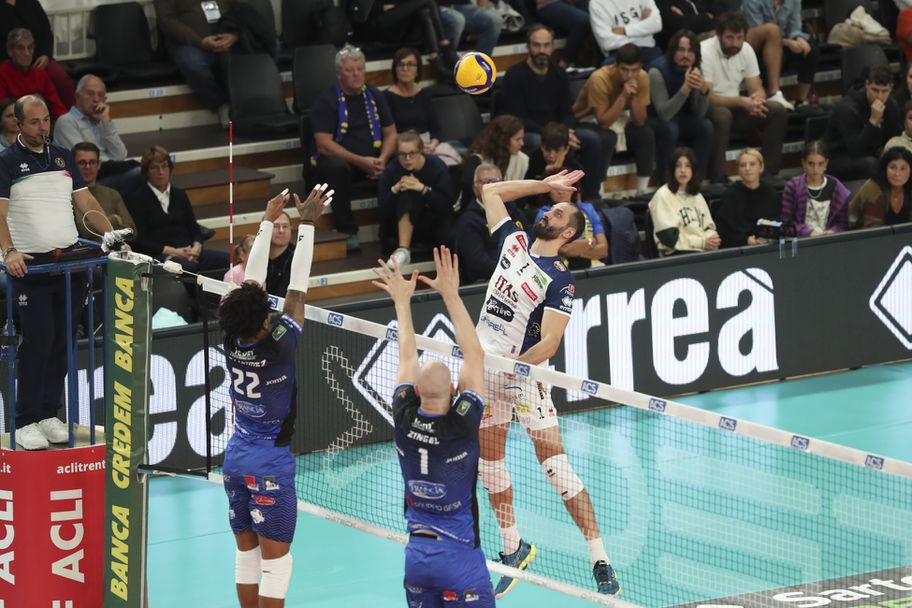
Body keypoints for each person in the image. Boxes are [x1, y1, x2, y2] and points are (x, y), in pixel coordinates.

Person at [476, 169, 620, 597]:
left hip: (523, 377)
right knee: (489, 463)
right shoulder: (513, 241)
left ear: (568, 232)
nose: (547, 213)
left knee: (556, 466)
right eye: (548, 209)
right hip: (482, 369)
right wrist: (546, 186)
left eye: (556, 213)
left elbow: (550, 343)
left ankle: (600, 558)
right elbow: (490, 191)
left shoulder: (560, 280)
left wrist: (514, 367)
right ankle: (513, 548)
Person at [218, 185, 329, 608]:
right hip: (270, 463)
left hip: (236, 459)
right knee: (276, 564)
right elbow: (297, 288)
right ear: (264, 321)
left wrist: (267, 222)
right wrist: (307, 223)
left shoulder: (232, 337)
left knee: (245, 556)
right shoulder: (279, 344)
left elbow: (251, 284)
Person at [372, 245, 494, 608]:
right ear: (455, 391)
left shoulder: (402, 415)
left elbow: (407, 355)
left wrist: (401, 301)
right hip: (460, 560)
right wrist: (451, 294)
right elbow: (475, 355)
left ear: (416, 392)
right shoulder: (462, 423)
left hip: (417, 562)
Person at [0, 95, 123, 451]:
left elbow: (85, 201)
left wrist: (109, 234)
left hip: (69, 264)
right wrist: (8, 251)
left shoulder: (62, 155)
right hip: (32, 267)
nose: (42, 128)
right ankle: (25, 420)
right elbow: (0, 212)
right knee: (39, 342)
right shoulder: (7, 161)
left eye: (46, 120)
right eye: (34, 122)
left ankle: (47, 414)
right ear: (19, 124)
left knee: (62, 342)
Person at [500, 25, 611, 200]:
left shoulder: (559, 73)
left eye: (546, 45)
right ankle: (534, 199)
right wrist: (554, 134)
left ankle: (592, 197)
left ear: (552, 46)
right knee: (536, 141)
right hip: (531, 131)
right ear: (528, 46)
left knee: (592, 139)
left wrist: (564, 132)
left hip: (558, 130)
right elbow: (517, 118)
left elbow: (568, 112)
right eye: (536, 45)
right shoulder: (514, 75)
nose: (541, 50)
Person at [311, 45, 397, 251]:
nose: (356, 74)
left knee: (401, 163)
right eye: (350, 70)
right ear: (339, 74)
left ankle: (391, 232)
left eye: (360, 69)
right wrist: (360, 161)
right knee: (336, 168)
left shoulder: (375, 95)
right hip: (343, 162)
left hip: (374, 160)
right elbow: (323, 144)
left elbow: (391, 133)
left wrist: (382, 160)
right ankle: (348, 230)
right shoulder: (326, 100)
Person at [700, 12, 787, 181]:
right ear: (718, 35)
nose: (735, 43)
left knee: (777, 110)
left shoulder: (746, 49)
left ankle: (769, 172)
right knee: (722, 115)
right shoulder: (705, 51)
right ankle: (717, 177)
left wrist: (757, 101)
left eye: (739, 38)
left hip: (737, 108)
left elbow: (757, 87)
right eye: (730, 38)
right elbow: (709, 98)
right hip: (710, 108)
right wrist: (742, 101)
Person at [126, 145, 229, 272]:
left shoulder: (179, 194)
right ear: (146, 171)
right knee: (187, 268)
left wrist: (196, 247)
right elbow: (141, 240)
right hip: (160, 255)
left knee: (229, 261)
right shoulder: (137, 198)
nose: (161, 172)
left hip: (189, 252)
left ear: (170, 169)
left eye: (164, 166)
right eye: (154, 167)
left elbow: (194, 228)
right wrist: (174, 251)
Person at [572, 43, 655, 194]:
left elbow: (640, 121)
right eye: (624, 70)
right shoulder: (599, 78)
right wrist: (624, 96)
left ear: (640, 67)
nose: (629, 75)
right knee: (606, 137)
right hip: (587, 120)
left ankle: (642, 192)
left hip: (620, 119)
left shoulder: (642, 77)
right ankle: (599, 191)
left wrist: (634, 97)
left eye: (634, 70)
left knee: (645, 133)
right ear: (616, 66)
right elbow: (603, 122)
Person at [154, 0, 239, 128]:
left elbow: (241, 9)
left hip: (227, 40)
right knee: (192, 62)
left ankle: (246, 105)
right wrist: (200, 42)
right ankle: (220, 104)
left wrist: (235, 35)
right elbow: (166, 20)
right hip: (188, 44)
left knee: (247, 55)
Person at [378, 130, 456, 266]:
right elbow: (383, 209)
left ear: (421, 151)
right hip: (399, 225)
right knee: (407, 192)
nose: (407, 159)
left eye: (412, 153)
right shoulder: (391, 170)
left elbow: (446, 205)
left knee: (414, 189)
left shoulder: (437, 167)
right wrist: (395, 189)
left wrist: (423, 190)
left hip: (432, 222)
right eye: (402, 154)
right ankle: (403, 250)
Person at [53, 74, 139, 191]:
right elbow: (84, 160)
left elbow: (120, 156)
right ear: (77, 96)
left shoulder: (102, 121)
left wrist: (107, 122)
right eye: (91, 94)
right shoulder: (66, 121)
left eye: (100, 95)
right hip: (86, 180)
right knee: (139, 172)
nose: (96, 99)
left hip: (108, 172)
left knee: (144, 173)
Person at [649, 30, 713, 184]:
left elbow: (699, 113)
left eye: (690, 51)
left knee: (705, 126)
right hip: (654, 119)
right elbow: (664, 114)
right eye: (681, 50)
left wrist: (703, 92)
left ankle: (697, 181)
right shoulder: (657, 71)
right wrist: (685, 89)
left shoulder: (695, 69)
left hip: (681, 118)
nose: (686, 56)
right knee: (671, 129)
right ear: (672, 52)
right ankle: (665, 183)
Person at [454, 163, 530, 284]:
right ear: (475, 188)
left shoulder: (515, 212)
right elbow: (478, 263)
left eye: (495, 181)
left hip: (524, 275)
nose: (491, 186)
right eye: (485, 182)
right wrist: (513, 273)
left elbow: (530, 243)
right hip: (490, 282)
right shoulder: (468, 221)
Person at [383, 48, 461, 166]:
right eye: (401, 65)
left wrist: (433, 144)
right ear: (395, 69)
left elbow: (436, 129)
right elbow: (389, 135)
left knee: (452, 163)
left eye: (410, 65)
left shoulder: (424, 94)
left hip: (428, 144)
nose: (405, 69)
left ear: (417, 70)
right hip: (403, 148)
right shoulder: (386, 97)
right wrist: (416, 146)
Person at [823, 65, 901, 182]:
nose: (879, 96)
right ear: (867, 85)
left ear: (891, 88)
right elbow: (856, 150)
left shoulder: (891, 106)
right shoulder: (847, 108)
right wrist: (873, 121)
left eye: (884, 91)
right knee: (872, 164)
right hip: (837, 157)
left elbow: (895, 138)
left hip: (871, 153)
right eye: (875, 90)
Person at [355, 0, 457, 81]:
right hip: (376, 24)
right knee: (428, 1)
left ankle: (436, 60)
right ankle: (446, 49)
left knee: (423, 13)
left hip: (398, 21)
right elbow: (361, 9)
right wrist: (382, 7)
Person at [742, 0, 818, 109]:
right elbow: (759, 31)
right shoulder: (752, 1)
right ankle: (774, 93)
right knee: (773, 33)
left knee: (809, 50)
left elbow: (794, 27)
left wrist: (798, 38)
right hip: (754, 44)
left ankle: (801, 101)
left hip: (782, 41)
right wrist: (787, 42)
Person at [0, 0, 76, 108]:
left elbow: (46, 32)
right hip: (9, 61)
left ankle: (73, 115)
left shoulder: (31, 3)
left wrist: (46, 55)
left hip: (39, 58)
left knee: (62, 80)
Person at [648, 146, 720, 256]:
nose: (683, 170)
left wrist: (711, 240)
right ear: (672, 170)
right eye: (678, 166)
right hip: (677, 256)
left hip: (703, 252)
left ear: (693, 170)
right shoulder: (662, 196)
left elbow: (709, 228)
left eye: (688, 166)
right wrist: (701, 242)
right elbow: (669, 239)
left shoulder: (698, 196)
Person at [781, 141, 851, 237]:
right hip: (801, 242)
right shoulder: (792, 187)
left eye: (820, 164)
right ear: (803, 163)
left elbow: (843, 224)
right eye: (811, 164)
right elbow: (786, 224)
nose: (815, 169)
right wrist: (808, 232)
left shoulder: (837, 189)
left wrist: (833, 232)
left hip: (829, 241)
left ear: (826, 163)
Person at [715, 148, 782, 247]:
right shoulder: (730, 195)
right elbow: (723, 231)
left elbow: (778, 222)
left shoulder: (770, 193)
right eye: (743, 165)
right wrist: (746, 240)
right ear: (738, 170)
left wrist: (768, 236)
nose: (747, 168)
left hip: (769, 246)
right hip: (740, 248)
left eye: (752, 164)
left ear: (761, 167)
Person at [71, 142, 137, 241]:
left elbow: (132, 232)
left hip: (117, 248)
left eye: (92, 162)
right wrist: (115, 219)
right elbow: (83, 231)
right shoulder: (69, 197)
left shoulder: (112, 194)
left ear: (99, 165)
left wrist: (101, 231)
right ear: (73, 166)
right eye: (82, 162)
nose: (87, 167)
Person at [460, 115, 529, 209]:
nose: (522, 143)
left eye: (522, 138)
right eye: (517, 139)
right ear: (503, 140)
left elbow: (521, 200)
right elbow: (469, 199)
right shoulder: (477, 161)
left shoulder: (523, 160)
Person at [533, 183, 608, 269]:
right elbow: (564, 250)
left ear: (573, 189)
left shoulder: (588, 208)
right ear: (548, 191)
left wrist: (573, 251)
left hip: (594, 267)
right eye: (555, 187)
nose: (560, 191)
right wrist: (591, 242)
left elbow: (603, 250)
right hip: (559, 267)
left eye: (565, 186)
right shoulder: (546, 214)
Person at [0, 28, 67, 120]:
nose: (27, 53)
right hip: (13, 123)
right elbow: (4, 111)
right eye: (20, 48)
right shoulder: (2, 73)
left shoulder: (41, 75)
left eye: (30, 47)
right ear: (10, 51)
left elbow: (57, 108)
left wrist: (66, 122)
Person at [849, 146, 912, 228]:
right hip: (855, 232)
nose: (897, 174)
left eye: (903, 169)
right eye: (893, 168)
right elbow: (873, 229)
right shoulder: (872, 188)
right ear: (885, 169)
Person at [589, 0, 663, 66]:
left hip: (648, 49)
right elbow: (606, 43)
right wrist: (643, 29)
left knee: (660, 68)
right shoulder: (596, 3)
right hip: (619, 53)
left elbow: (657, 24)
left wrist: (625, 31)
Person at [535, 0, 592, 68]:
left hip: (574, 3)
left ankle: (597, 64)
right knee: (583, 21)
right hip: (549, 4)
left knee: (598, 10)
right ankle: (563, 65)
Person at [655, 0, 721, 47]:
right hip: (680, 43)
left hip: (711, 33)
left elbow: (719, 13)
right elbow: (679, 25)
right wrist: (706, 16)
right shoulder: (662, 2)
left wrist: (686, 17)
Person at [264, 211, 294, 297]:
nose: (281, 230)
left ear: (291, 229)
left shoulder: (297, 257)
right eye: (276, 226)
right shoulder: (256, 252)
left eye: (285, 226)